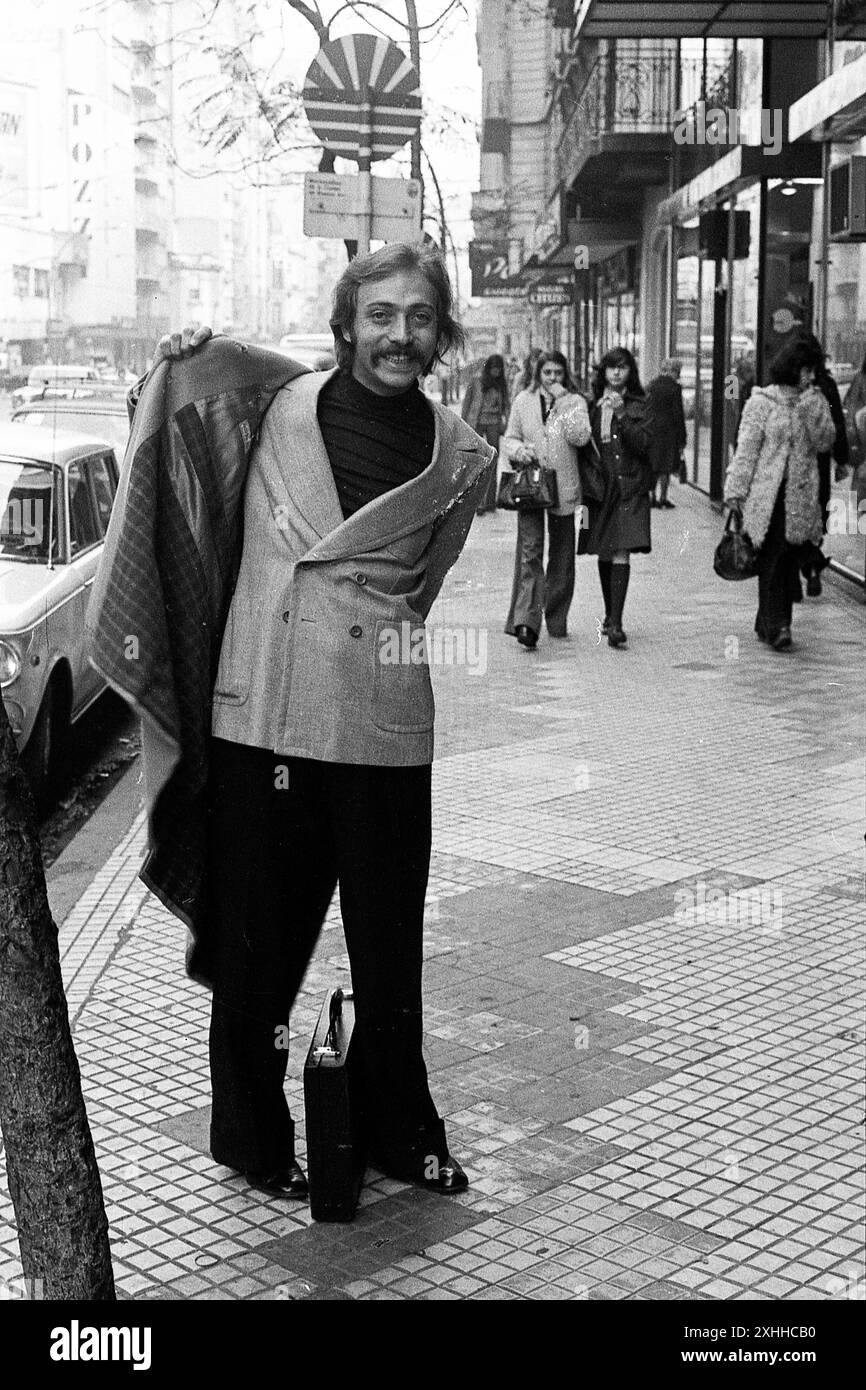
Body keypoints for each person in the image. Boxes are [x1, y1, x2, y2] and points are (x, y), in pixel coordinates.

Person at [87, 243, 496, 1202]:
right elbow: (177, 407)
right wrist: (177, 355)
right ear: (347, 322)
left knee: (389, 942)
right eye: (381, 314)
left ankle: (403, 1131)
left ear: (442, 333)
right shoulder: (275, 404)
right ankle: (251, 1138)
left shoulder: (464, 459)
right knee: (257, 945)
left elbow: (419, 592)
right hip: (262, 712)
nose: (400, 334)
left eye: (421, 317)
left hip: (382, 725)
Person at [724, 337, 835, 651]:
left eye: (814, 371)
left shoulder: (813, 400)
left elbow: (825, 441)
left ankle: (767, 620)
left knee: (786, 559)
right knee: (773, 557)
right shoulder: (762, 401)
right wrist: (735, 489)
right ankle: (779, 626)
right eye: (806, 370)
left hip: (799, 496)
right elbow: (747, 449)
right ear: (791, 368)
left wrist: (815, 408)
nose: (811, 377)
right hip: (767, 497)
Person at [502, 349, 591, 648]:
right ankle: (527, 622)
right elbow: (509, 437)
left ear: (566, 375)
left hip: (564, 488)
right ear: (537, 374)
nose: (552, 379)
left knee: (563, 556)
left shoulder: (575, 402)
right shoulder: (523, 401)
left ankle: (556, 618)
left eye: (558, 373)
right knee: (530, 551)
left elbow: (580, 437)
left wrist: (564, 402)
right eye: (547, 373)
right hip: (531, 486)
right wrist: (518, 451)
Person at [578, 347, 653, 649]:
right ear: (604, 373)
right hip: (600, 487)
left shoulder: (640, 405)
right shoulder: (591, 406)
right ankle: (609, 616)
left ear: (630, 372)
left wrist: (622, 414)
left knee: (622, 548)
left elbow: (645, 444)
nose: (617, 373)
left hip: (629, 486)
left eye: (623, 367)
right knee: (605, 550)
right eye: (611, 368)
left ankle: (617, 623)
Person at [796, 334, 850, 596]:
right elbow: (837, 423)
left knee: (793, 518)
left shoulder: (786, 386)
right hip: (818, 464)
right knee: (816, 517)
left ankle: (798, 573)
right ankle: (812, 564)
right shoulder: (826, 386)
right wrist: (841, 460)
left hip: (793, 465)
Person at [461, 353, 509, 513]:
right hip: (477, 423)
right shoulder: (476, 380)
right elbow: (467, 403)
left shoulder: (501, 384)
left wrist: (506, 422)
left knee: (493, 461)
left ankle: (490, 502)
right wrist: (463, 424)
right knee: (478, 461)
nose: (496, 372)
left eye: (499, 369)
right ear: (489, 368)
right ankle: (478, 503)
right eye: (494, 369)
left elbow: (506, 404)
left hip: (494, 424)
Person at [646, 357, 687, 508]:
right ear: (673, 371)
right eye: (678, 372)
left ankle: (652, 497)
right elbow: (678, 414)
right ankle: (663, 498)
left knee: (654, 465)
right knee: (666, 466)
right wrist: (682, 438)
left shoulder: (652, 385)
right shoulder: (674, 388)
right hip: (669, 432)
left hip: (652, 430)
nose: (679, 375)